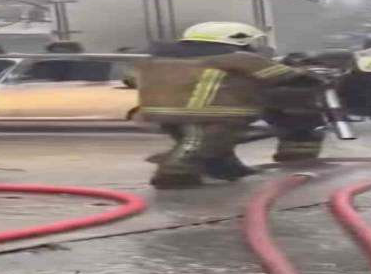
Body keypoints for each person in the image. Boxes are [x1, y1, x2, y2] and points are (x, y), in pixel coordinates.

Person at [133, 21, 321, 188]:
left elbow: (131, 80)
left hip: (156, 111)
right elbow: (284, 75)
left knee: (208, 141)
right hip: (211, 111)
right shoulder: (239, 58)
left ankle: (225, 168)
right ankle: (174, 173)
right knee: (198, 145)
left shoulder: (156, 59)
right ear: (237, 40)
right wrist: (310, 73)